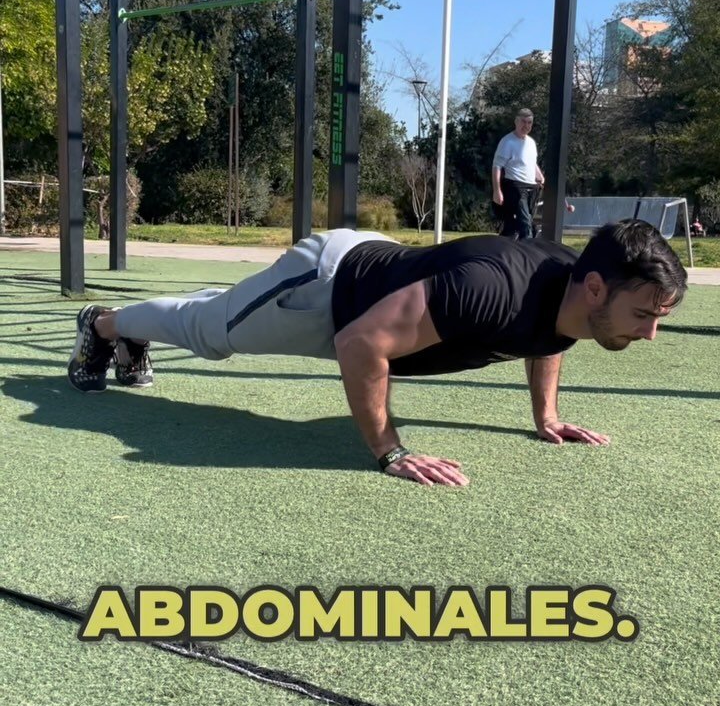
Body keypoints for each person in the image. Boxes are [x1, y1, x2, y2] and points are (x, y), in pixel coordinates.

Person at [68, 220, 687, 488]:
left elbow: (551, 336)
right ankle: (105, 324)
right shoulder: (492, 289)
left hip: (380, 286)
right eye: (643, 316)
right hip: (327, 290)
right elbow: (359, 343)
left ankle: (214, 306)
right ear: (596, 287)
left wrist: (546, 416)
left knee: (224, 312)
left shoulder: (573, 289)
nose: (650, 335)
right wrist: (391, 451)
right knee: (211, 333)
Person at [492, 108, 545, 239]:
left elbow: (531, 163)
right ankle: (527, 249)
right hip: (516, 187)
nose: (526, 125)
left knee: (516, 226)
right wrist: (497, 190)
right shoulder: (507, 142)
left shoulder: (531, 143)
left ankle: (504, 244)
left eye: (529, 122)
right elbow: (497, 166)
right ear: (516, 121)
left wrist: (540, 175)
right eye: (523, 122)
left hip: (532, 187)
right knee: (526, 225)